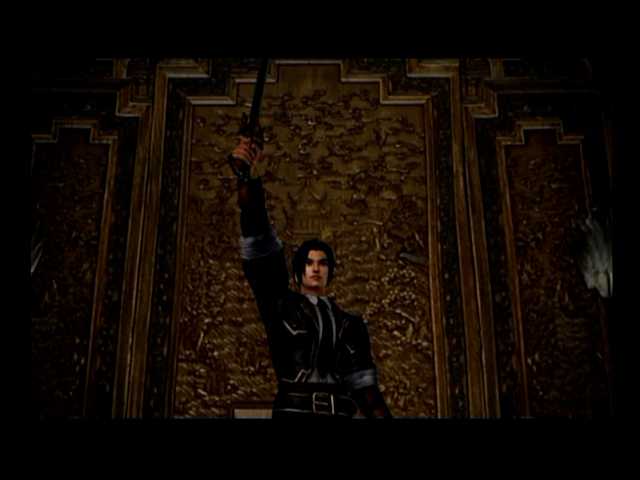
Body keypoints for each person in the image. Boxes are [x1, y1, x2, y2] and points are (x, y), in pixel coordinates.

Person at [231, 136, 392, 419]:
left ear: (331, 271)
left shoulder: (350, 325)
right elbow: (261, 248)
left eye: (322, 263)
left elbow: (367, 393)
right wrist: (246, 178)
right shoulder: (281, 307)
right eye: (308, 263)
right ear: (298, 273)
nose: (316, 268)